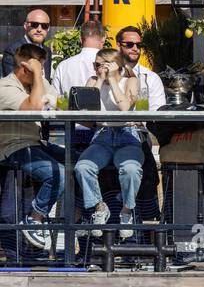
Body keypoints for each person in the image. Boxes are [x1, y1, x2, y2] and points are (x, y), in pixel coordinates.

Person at [73, 48, 146, 240]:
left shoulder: (130, 81)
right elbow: (86, 109)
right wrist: (99, 80)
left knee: (130, 169)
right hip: (102, 135)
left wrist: (113, 79)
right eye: (95, 65)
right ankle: (99, 207)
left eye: (100, 65)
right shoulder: (92, 81)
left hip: (127, 134)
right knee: (82, 167)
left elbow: (124, 108)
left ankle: (126, 212)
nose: (97, 69)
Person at [0, 44, 65, 249]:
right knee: (59, 175)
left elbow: (62, 103)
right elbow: (34, 108)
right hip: (13, 147)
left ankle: (76, 220)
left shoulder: (37, 82)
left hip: (35, 143)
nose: (43, 73)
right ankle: (35, 219)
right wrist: (38, 74)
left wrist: (39, 77)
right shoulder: (4, 87)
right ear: (25, 68)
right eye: (40, 68)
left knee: (82, 162)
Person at [114, 25, 165, 110]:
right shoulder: (111, 73)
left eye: (139, 45)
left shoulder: (151, 78)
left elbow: (157, 111)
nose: (135, 48)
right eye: (129, 44)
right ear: (118, 46)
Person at [52, 20, 107, 98]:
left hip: (71, 109)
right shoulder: (111, 64)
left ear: (80, 39)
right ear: (104, 39)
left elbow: (55, 97)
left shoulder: (63, 65)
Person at [2, 9, 53, 80]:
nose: (39, 29)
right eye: (34, 24)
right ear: (25, 26)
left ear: (48, 29)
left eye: (44, 26)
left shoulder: (47, 51)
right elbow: (12, 83)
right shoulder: (13, 50)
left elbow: (46, 81)